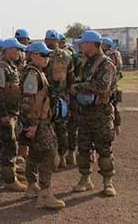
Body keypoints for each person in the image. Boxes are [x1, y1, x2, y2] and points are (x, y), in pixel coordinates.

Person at [70, 30, 117, 197]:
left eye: (83, 43)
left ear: (91, 44)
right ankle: (85, 179)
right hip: (84, 112)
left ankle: (107, 182)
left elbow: (102, 87)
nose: (81, 45)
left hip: (101, 113)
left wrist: (79, 87)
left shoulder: (106, 64)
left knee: (104, 148)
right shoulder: (85, 63)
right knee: (83, 148)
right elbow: (78, 80)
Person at [20, 42, 66, 209]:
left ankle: (32, 186)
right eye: (44, 55)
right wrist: (31, 125)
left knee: (36, 152)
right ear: (33, 55)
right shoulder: (33, 74)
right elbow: (28, 101)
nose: (47, 58)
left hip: (39, 120)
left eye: (48, 55)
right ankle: (45, 193)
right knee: (51, 154)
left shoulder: (37, 72)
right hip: (38, 122)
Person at [0, 38, 28, 191]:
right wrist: (3, 115)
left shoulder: (10, 67)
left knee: (13, 145)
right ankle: (9, 180)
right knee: (9, 147)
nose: (18, 52)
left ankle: (11, 173)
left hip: (13, 112)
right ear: (7, 50)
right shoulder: (2, 68)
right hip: (6, 114)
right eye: (16, 49)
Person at [44, 29, 75, 169]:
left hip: (46, 98)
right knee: (62, 128)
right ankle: (63, 157)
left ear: (46, 40)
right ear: (58, 40)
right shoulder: (67, 55)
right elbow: (71, 77)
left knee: (47, 128)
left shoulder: (44, 55)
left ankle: (53, 159)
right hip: (62, 98)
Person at [102, 37, 123, 135]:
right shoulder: (116, 54)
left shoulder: (109, 56)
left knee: (109, 107)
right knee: (115, 106)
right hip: (115, 85)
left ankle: (112, 127)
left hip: (110, 86)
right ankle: (117, 126)